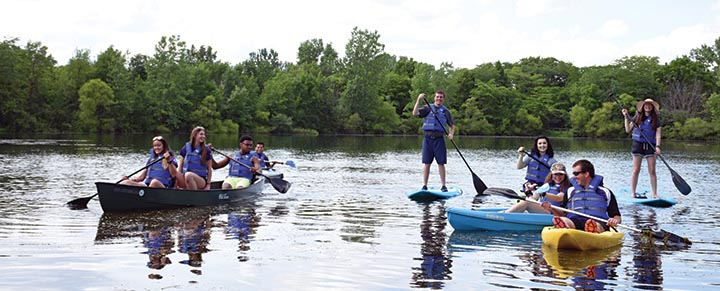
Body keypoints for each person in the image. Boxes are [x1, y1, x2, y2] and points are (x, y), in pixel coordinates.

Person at [542, 159, 621, 233]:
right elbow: (563, 213)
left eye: (576, 173)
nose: (574, 177)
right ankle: (564, 227)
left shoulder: (605, 192)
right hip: (576, 221)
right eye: (573, 174)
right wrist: (551, 208)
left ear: (586, 174)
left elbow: (617, 216)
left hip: (598, 221)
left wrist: (615, 220)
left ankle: (593, 230)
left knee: (595, 225)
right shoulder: (570, 191)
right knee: (564, 220)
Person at [412, 91, 455, 192]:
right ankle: (424, 185)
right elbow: (414, 113)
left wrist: (451, 134)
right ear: (434, 98)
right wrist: (418, 100)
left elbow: (452, 125)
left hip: (439, 140)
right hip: (427, 139)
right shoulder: (427, 108)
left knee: (441, 163)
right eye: (437, 97)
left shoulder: (445, 111)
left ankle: (444, 185)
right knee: (427, 163)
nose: (438, 99)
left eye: (441, 97)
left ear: (443, 99)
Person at [621, 98, 662, 199]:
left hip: (650, 145)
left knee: (652, 170)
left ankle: (654, 193)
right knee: (636, 170)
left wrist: (657, 146)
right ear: (643, 106)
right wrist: (626, 117)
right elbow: (628, 130)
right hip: (638, 144)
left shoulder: (656, 119)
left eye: (650, 105)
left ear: (652, 107)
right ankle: (633, 192)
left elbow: (658, 134)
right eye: (646, 105)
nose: (648, 106)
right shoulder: (637, 117)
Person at [505, 162, 570, 213]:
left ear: (565, 175)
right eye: (555, 174)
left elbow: (558, 198)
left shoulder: (567, 187)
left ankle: (504, 216)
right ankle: (504, 214)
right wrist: (529, 192)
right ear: (551, 175)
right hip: (542, 210)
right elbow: (533, 199)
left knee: (526, 203)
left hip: (553, 213)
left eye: (560, 174)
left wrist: (542, 193)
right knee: (525, 202)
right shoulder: (547, 185)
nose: (558, 177)